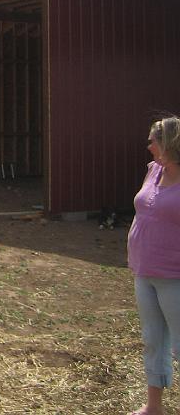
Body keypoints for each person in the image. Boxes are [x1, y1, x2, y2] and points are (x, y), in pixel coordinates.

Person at [129, 115, 180, 415]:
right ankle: (154, 407)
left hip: (174, 275)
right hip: (144, 270)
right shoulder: (153, 171)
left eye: (153, 140)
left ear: (169, 144)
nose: (148, 145)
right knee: (153, 340)